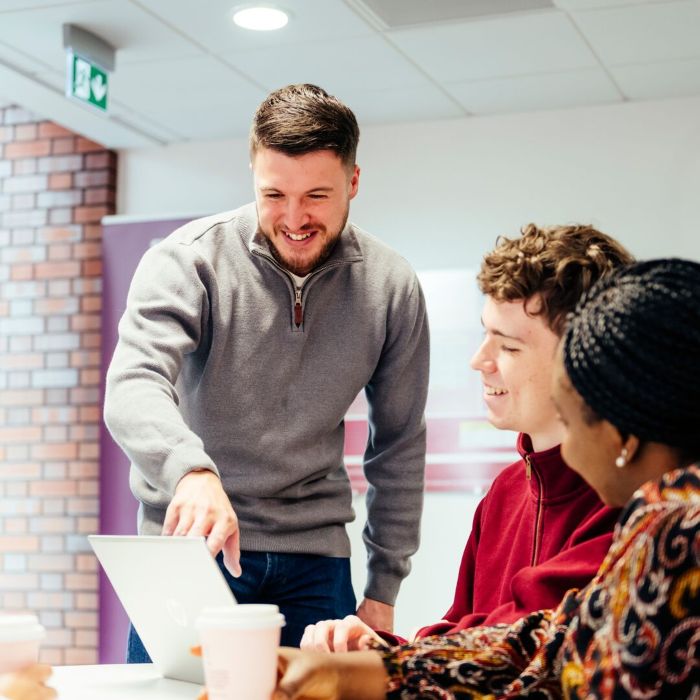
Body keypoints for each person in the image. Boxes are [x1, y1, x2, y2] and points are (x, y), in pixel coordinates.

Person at [273, 257, 700, 699]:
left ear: (622, 437)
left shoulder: (675, 525)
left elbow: (552, 672)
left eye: (572, 423)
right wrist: (367, 668)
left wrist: (369, 672)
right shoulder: (664, 512)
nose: (568, 452)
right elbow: (545, 643)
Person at [103, 84, 430, 655]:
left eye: (317, 196)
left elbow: (398, 443)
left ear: (354, 182)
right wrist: (190, 472)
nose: (294, 218)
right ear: (252, 173)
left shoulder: (390, 286)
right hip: (195, 550)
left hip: (317, 562)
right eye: (273, 194)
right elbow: (133, 386)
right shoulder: (188, 260)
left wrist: (383, 587)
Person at [302, 224, 634, 652]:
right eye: (485, 334)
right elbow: (463, 634)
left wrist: (389, 660)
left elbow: (522, 640)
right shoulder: (504, 494)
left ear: (586, 361)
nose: (479, 361)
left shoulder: (630, 505)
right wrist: (377, 650)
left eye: (509, 347)